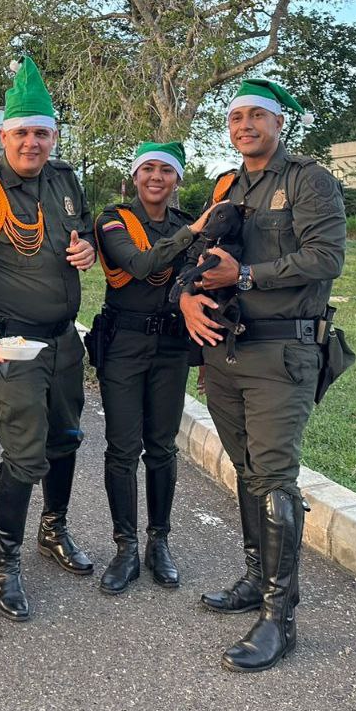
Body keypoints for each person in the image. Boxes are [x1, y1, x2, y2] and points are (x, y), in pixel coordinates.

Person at [177, 78, 346, 672]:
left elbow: (327, 258)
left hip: (282, 352)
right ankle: (255, 578)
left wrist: (245, 277)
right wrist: (188, 298)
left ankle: (279, 618)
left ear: (279, 122)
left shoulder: (307, 180)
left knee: (274, 477)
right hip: (226, 351)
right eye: (235, 117)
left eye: (256, 116)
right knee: (248, 472)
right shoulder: (228, 186)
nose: (244, 126)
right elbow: (199, 258)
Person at [0, 56, 97, 622]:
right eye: (22, 132)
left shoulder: (65, 180)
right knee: (26, 453)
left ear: (53, 136)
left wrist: (89, 248)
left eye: (42, 133)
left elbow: (84, 232)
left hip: (63, 342)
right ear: (4, 135)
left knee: (66, 438)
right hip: (10, 344)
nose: (32, 143)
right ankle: (5, 562)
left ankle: (53, 530)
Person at [93, 142, 205, 595]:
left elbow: (196, 280)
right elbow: (140, 266)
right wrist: (192, 234)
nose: (156, 177)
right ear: (135, 176)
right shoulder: (113, 220)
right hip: (123, 343)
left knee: (161, 447)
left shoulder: (185, 224)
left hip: (172, 345)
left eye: (166, 170)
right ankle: (125, 547)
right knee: (122, 448)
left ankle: (159, 542)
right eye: (148, 169)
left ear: (177, 179)